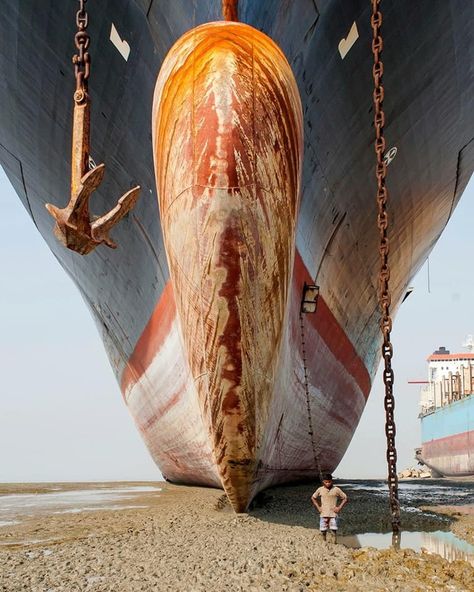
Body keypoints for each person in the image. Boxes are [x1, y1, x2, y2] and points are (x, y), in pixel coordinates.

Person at [311, 473, 348, 542]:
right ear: (323, 482)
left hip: (333, 514)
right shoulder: (320, 489)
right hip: (323, 514)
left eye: (329, 482)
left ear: (332, 481)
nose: (328, 483)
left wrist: (339, 508)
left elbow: (345, 498)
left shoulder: (336, 489)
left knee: (333, 531)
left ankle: (334, 543)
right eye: (326, 482)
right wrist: (318, 507)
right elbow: (313, 498)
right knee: (323, 531)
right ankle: (324, 543)